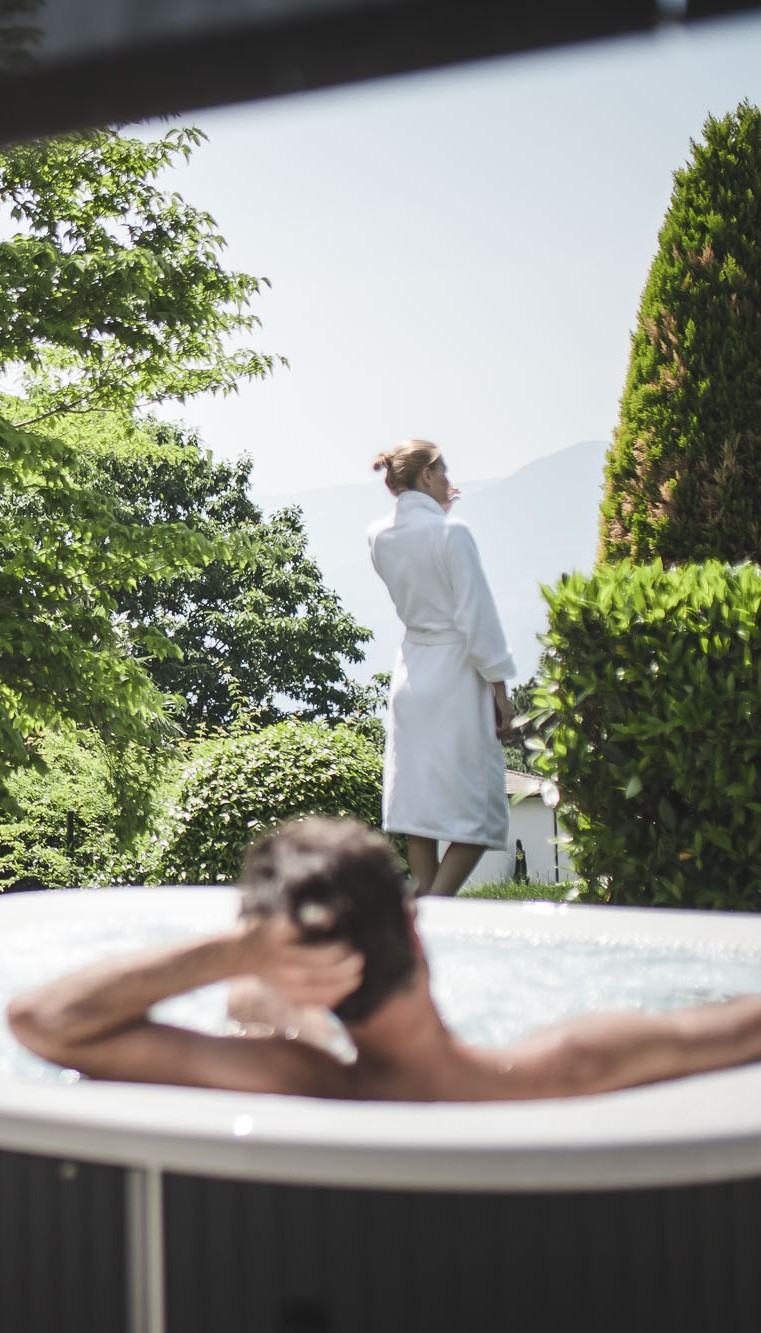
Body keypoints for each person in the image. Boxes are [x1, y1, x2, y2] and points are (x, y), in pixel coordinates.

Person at [10, 815, 761, 1103]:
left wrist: (238, 954)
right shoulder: (571, 1063)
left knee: (255, 1010)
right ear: (412, 927)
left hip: (309, 1035)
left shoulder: (302, 1082)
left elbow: (43, 1020)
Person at [368, 439, 517, 896]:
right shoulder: (454, 533)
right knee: (479, 810)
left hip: (412, 671)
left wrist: (439, 514)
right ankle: (438, 901)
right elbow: (477, 616)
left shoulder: (378, 535)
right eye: (444, 471)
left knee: (420, 805)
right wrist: (500, 690)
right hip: (455, 673)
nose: (451, 481)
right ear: (427, 475)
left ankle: (424, 902)